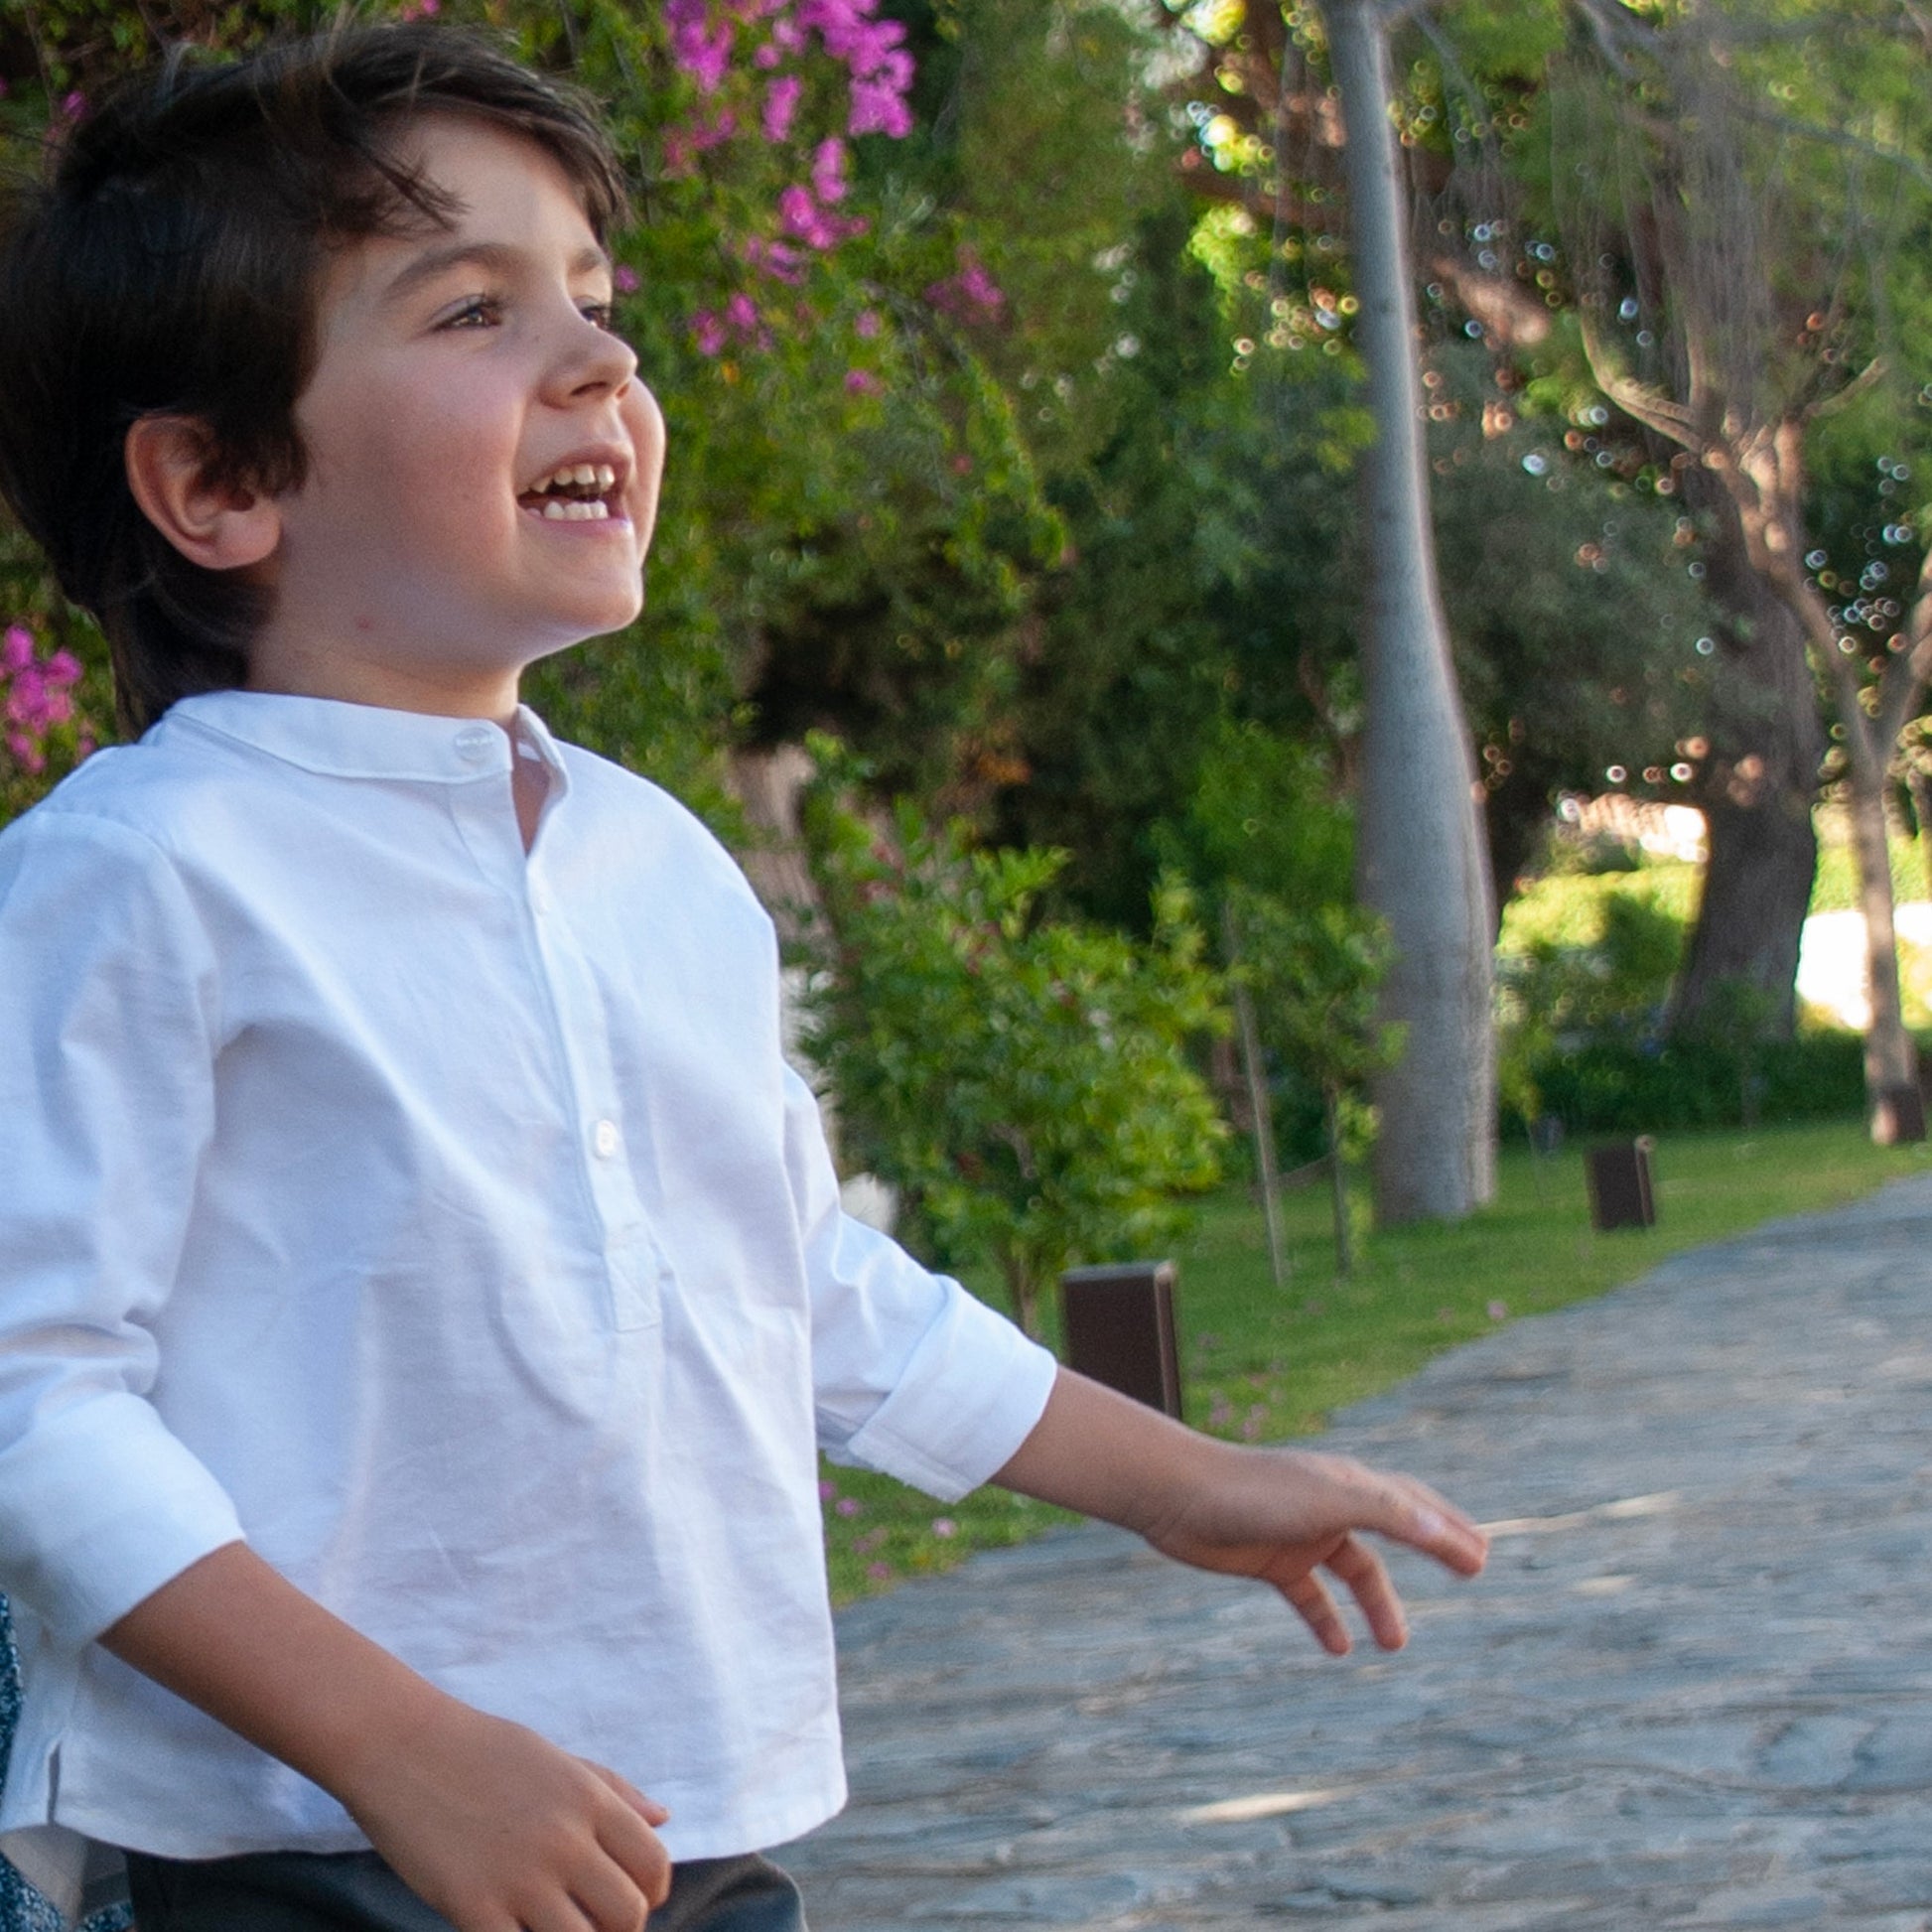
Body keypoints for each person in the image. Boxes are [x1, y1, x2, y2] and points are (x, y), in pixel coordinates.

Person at [0, 24, 1487, 1932]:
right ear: (216, 480)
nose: (603, 361)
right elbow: (34, 1393)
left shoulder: (656, 867)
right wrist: (395, 1742)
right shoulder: (139, 877)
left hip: (684, 1813)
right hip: (294, 1853)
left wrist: (1173, 1478)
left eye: (599, 304)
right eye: (472, 313)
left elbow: (797, 1278)